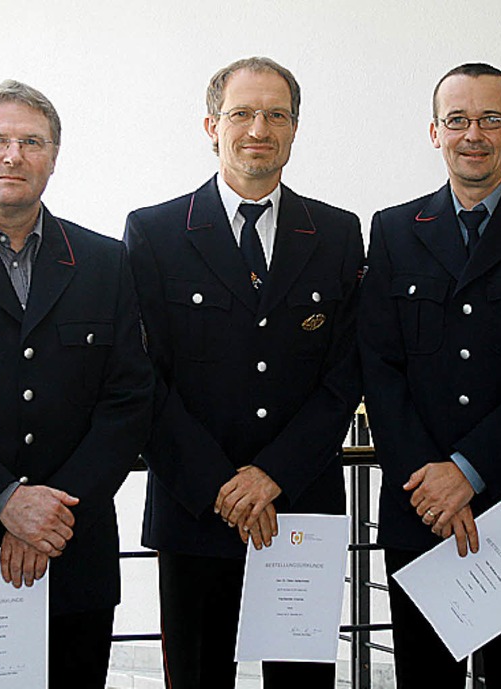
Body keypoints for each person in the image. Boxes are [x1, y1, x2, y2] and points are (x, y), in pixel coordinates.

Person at [124, 56, 363, 688]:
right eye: (242, 113)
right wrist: (222, 486)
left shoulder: (338, 234)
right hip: (196, 507)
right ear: (211, 125)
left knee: (302, 679)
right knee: (198, 677)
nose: (259, 127)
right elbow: (144, 376)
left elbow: (344, 375)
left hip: (298, 507)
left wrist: (272, 475)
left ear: (293, 129)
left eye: (276, 114)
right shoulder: (154, 232)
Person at [359, 62, 501, 688]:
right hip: (418, 507)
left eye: (489, 119)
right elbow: (380, 366)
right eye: (457, 120)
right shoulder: (396, 229)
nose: (472, 134)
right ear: (435, 132)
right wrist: (434, 482)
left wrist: (468, 472)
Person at [0, 79, 153, 688]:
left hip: (72, 555)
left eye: (32, 142)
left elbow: (129, 399)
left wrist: (49, 517)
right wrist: (5, 502)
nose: (14, 155)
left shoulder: (104, 262)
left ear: (54, 156)